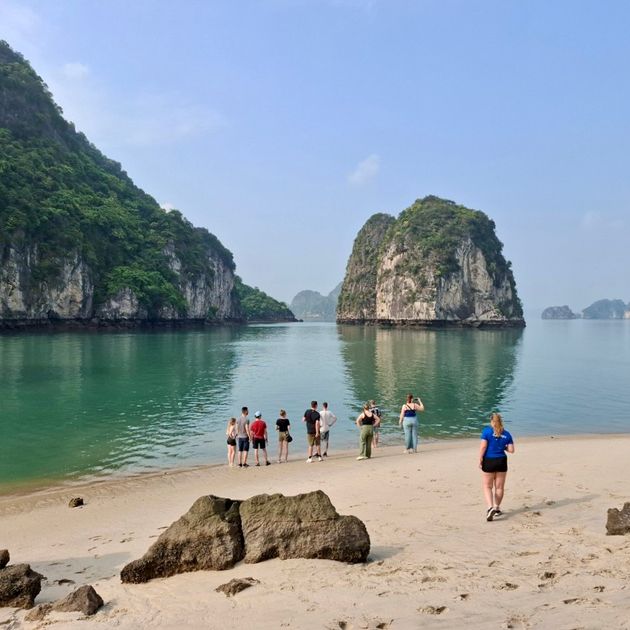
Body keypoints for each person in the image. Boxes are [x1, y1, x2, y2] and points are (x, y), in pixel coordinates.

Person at [479, 412, 515, 521]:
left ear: (491, 421)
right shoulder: (507, 434)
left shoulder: (486, 431)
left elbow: (483, 447)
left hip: (489, 460)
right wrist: (503, 448)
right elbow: (511, 450)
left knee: (488, 486)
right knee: (499, 487)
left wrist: (480, 459)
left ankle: (490, 507)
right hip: (501, 461)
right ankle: (497, 508)